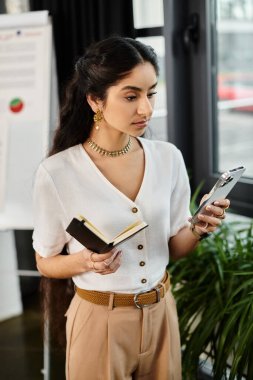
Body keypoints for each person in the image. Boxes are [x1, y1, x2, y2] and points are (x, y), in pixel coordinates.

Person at [32, 36, 230, 380]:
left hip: (161, 313)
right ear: (95, 100)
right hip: (99, 320)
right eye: (131, 96)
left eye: (151, 93)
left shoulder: (167, 158)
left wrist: (198, 229)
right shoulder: (57, 173)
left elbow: (173, 248)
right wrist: (86, 261)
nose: (146, 109)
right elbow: (45, 261)